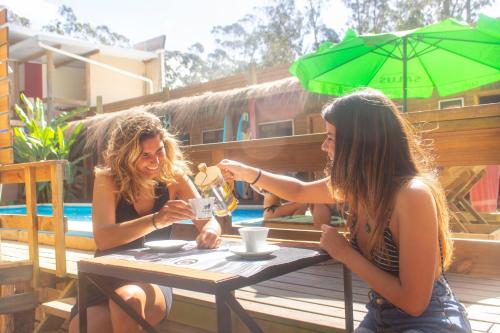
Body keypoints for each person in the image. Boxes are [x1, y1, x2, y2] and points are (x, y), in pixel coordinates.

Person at [218, 89, 472, 332]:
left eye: (331, 137)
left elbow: (414, 303)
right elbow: (299, 191)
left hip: (431, 319)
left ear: (359, 143)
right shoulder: (358, 186)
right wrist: (247, 172)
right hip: (380, 314)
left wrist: (345, 253)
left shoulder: (411, 195)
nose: (324, 146)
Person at [69, 111, 221, 333]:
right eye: (145, 155)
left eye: (159, 151)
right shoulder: (108, 179)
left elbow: (209, 219)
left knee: (127, 300)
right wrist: (156, 221)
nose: (156, 161)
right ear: (126, 156)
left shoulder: (174, 178)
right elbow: (104, 239)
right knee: (87, 328)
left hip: (151, 276)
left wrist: (210, 230)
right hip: (104, 278)